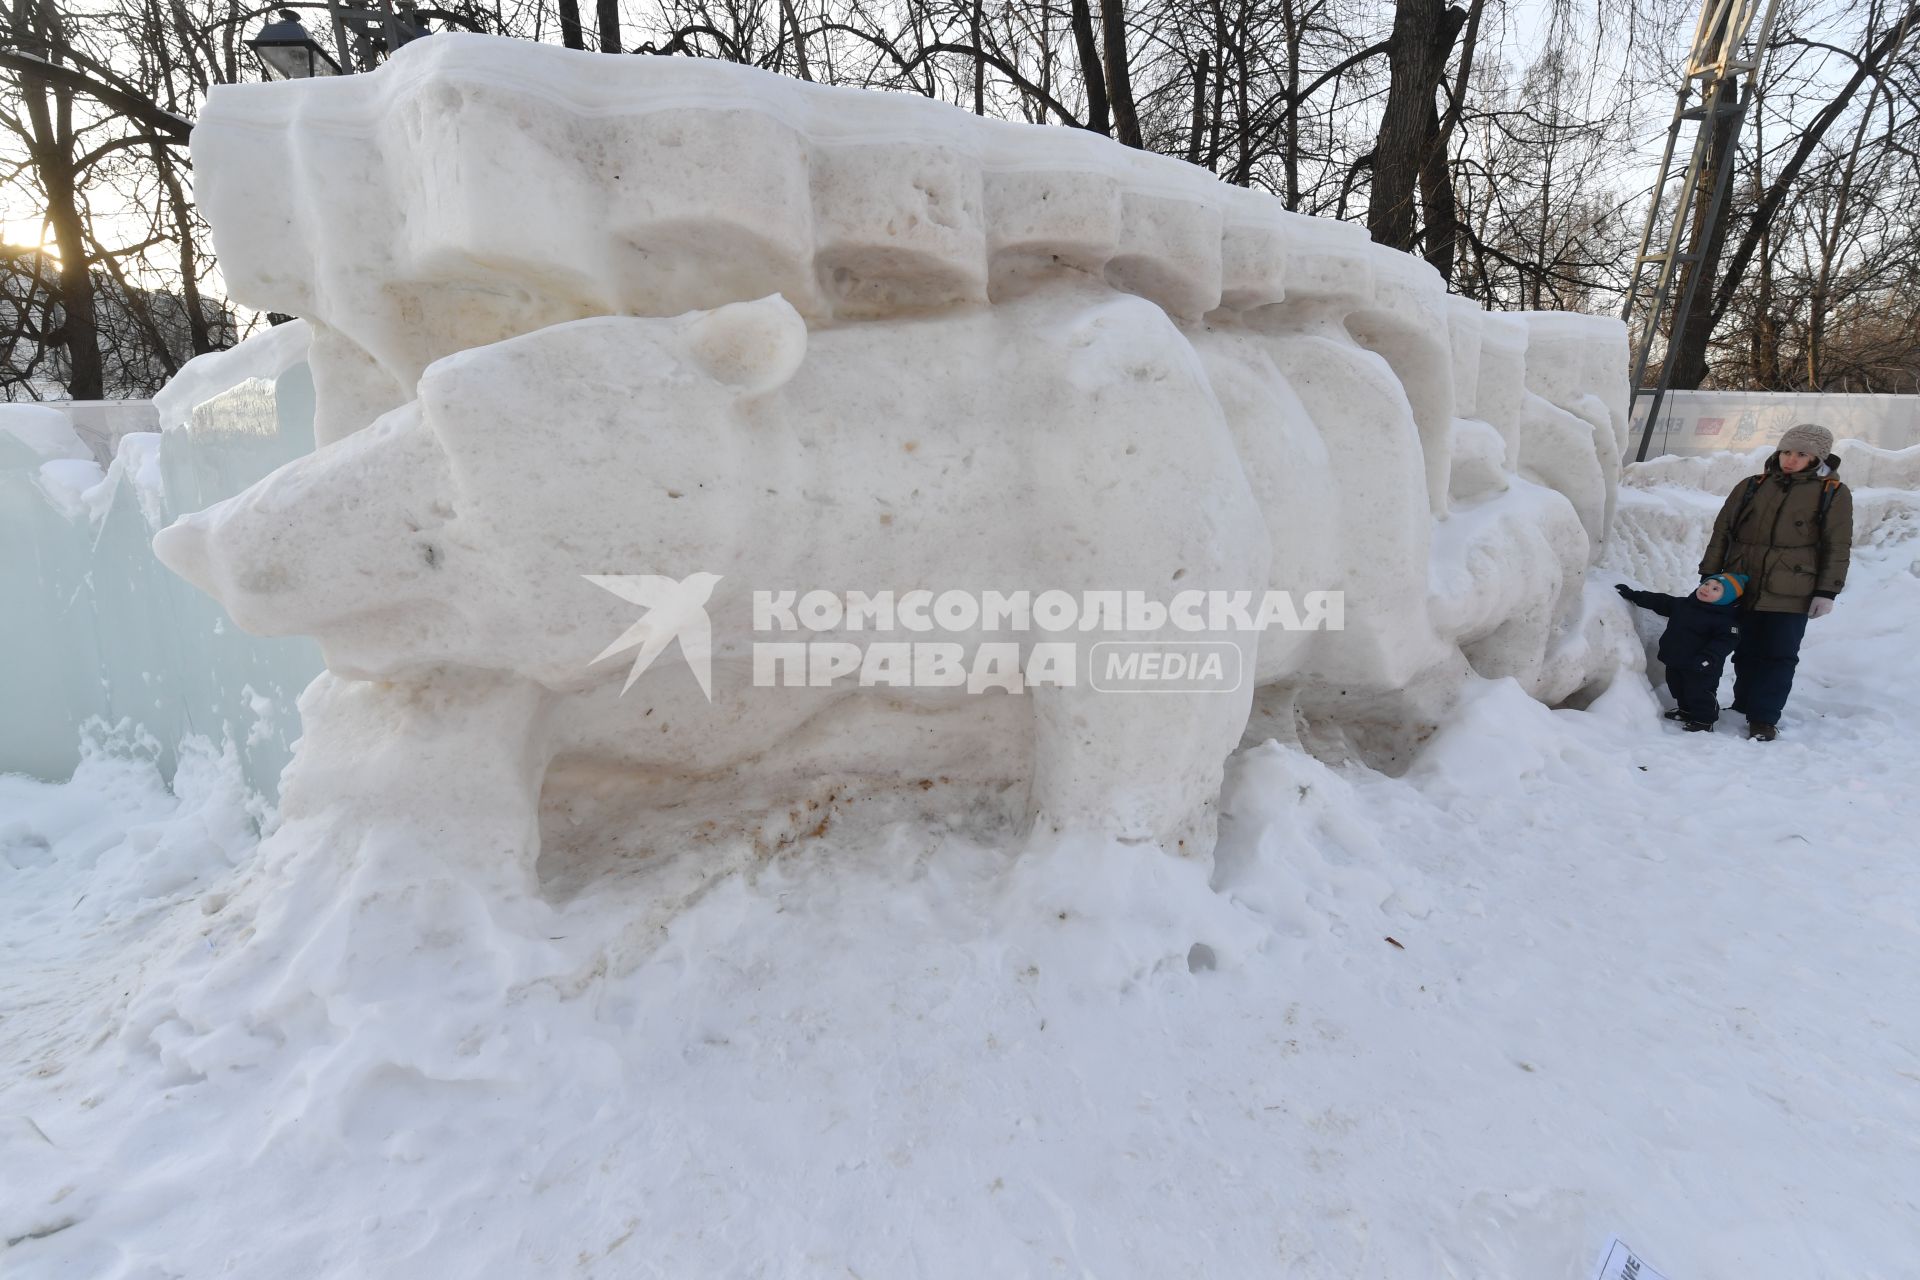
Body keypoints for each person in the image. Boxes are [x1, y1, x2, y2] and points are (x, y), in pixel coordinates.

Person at [1697, 423, 1852, 742]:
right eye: (1786, 452)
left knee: (1779, 654)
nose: (1790, 459)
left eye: (1801, 454)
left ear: (1817, 458)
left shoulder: (1832, 493)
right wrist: (1711, 573)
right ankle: (1743, 704)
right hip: (1742, 584)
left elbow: (1837, 544)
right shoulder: (1752, 486)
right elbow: (1722, 531)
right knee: (1744, 649)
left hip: (1793, 590)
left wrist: (1827, 591)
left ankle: (1764, 718)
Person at [1616, 574, 1748, 731]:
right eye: (1706, 584)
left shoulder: (1726, 622)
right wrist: (1633, 595)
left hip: (1702, 667)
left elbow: (1724, 643)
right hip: (1676, 659)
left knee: (1700, 692)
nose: (1707, 589)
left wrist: (1708, 658)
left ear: (1726, 598)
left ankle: (1704, 720)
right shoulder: (1684, 604)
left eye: (1715, 589)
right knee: (1678, 688)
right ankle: (1685, 711)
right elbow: (1660, 601)